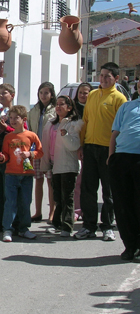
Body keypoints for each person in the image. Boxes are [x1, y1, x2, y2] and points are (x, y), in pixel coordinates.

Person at [74, 62, 126, 241]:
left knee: (108, 191)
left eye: (107, 76)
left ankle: (107, 226)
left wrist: (115, 153)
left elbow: (121, 128)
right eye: (101, 75)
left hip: (109, 150)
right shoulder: (93, 95)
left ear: (116, 78)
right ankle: (88, 226)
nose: (102, 79)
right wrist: (81, 145)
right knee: (89, 189)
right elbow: (85, 122)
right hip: (89, 148)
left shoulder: (119, 99)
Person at [0, 105, 43, 242]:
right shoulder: (8, 137)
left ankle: (23, 228)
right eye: (10, 118)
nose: (12, 120)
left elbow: (40, 152)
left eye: (16, 118)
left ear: (23, 119)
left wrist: (30, 154)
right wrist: (2, 157)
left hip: (27, 174)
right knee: (10, 202)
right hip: (11, 174)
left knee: (25, 202)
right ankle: (7, 229)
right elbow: (5, 154)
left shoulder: (31, 135)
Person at [40, 96, 83, 237]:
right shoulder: (51, 124)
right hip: (55, 165)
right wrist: (45, 164)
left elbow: (74, 146)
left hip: (69, 166)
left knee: (67, 197)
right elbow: (46, 145)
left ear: (69, 107)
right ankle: (57, 225)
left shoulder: (73, 123)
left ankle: (67, 227)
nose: (58, 107)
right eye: (57, 104)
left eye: (62, 105)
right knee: (58, 197)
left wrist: (65, 135)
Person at [108, 95, 140, 260]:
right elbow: (115, 133)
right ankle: (130, 245)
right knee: (123, 205)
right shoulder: (127, 107)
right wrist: (111, 156)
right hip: (121, 159)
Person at [0, 83, 20, 232]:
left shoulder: (17, 112)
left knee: (10, 192)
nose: (1, 96)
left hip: (11, 158)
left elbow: (22, 132)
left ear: (12, 95)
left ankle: (13, 221)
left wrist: (6, 128)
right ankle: (0, 220)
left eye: (4, 93)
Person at [28, 82, 56, 223]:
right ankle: (38, 212)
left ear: (51, 95)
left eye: (46, 93)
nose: (43, 96)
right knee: (38, 180)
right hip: (36, 150)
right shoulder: (34, 110)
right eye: (41, 93)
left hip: (49, 150)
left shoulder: (55, 110)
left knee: (50, 181)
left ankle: (52, 212)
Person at [72, 82, 92, 221]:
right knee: (77, 181)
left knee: (88, 181)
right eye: (80, 92)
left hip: (91, 146)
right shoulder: (73, 109)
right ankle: (77, 209)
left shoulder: (94, 107)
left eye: (86, 93)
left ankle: (87, 209)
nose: (83, 95)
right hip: (75, 148)